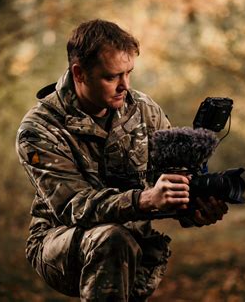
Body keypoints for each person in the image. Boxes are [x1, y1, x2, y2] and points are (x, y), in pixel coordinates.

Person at [16, 19, 228, 301]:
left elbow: (166, 181)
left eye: (129, 73)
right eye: (111, 76)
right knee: (112, 239)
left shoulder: (144, 110)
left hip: (136, 243)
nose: (124, 86)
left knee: (120, 241)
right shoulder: (40, 128)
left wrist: (192, 207)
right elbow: (73, 206)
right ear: (79, 74)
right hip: (60, 242)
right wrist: (144, 200)